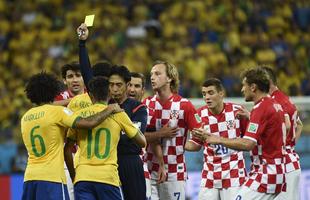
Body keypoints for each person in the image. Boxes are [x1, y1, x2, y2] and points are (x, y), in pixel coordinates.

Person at [21, 72, 122, 200]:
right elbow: (88, 123)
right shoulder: (58, 112)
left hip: (29, 177)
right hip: (52, 178)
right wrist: (109, 109)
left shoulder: (25, 117)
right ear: (53, 90)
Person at [77, 23, 148, 200]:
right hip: (106, 165)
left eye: (118, 85)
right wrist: (82, 44)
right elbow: (87, 74)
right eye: (111, 85)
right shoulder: (102, 106)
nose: (114, 89)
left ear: (126, 86)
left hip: (129, 162)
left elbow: (135, 141)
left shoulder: (137, 107)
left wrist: (110, 137)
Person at [194, 68, 286, 200]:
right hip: (272, 170)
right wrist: (251, 118)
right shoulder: (273, 104)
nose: (242, 89)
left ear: (253, 87)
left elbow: (247, 143)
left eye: (244, 85)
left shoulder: (260, 108)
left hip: (266, 172)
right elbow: (286, 126)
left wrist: (216, 139)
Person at [64, 76, 147, 200]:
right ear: (109, 94)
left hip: (83, 177)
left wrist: (73, 175)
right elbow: (142, 142)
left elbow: (67, 149)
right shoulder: (119, 114)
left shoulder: (79, 116)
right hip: (108, 178)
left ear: (90, 95)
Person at [143, 60, 201, 200]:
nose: (152, 77)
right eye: (151, 74)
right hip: (149, 171)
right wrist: (160, 134)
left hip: (175, 172)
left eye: (157, 74)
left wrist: (181, 144)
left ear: (169, 78)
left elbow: (199, 138)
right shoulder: (146, 104)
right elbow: (138, 136)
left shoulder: (185, 105)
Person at [185, 78, 248, 200]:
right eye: (204, 94)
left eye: (210, 92)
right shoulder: (199, 116)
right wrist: (177, 142)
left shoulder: (237, 112)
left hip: (234, 174)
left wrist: (217, 139)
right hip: (210, 176)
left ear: (221, 93)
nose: (207, 97)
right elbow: (195, 144)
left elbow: (248, 142)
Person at [262, 66, 303, 200]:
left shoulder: (275, 103)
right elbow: (300, 125)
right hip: (290, 161)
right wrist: (290, 145)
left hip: (283, 165)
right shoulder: (286, 99)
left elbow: (287, 125)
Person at [127, 71, 152, 199]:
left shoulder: (147, 110)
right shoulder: (116, 108)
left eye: (136, 86)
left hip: (141, 167)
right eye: (129, 85)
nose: (132, 89)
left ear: (143, 90)